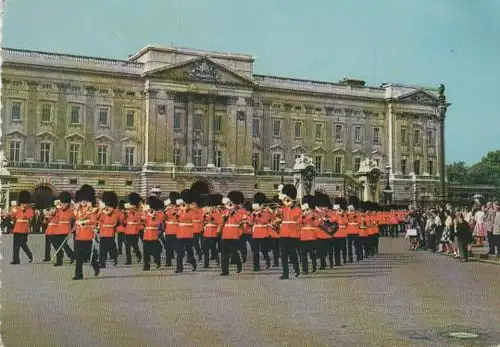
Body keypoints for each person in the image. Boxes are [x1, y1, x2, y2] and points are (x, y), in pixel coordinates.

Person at [73, 185, 100, 280]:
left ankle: (96, 266)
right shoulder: (78, 210)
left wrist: (84, 222)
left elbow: (93, 220)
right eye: (82, 200)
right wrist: (77, 222)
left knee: (88, 254)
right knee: (78, 255)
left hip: (88, 234)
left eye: (85, 200)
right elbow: (75, 218)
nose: (83, 202)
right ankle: (78, 274)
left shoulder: (92, 210)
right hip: (79, 234)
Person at [275, 184, 301, 279]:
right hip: (284, 234)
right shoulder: (282, 209)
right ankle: (285, 273)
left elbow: (300, 221)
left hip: (294, 234)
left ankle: (296, 269)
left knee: (293, 254)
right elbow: (278, 219)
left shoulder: (298, 209)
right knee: (284, 255)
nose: (286, 200)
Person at [219, 190, 246, 276]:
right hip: (225, 234)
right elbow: (220, 222)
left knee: (234, 252)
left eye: (232, 203)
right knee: (224, 254)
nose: (230, 204)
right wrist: (224, 218)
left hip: (234, 234)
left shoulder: (240, 211)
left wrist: (234, 213)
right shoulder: (224, 212)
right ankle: (225, 271)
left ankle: (239, 265)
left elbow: (240, 221)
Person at [9, 190, 34, 264]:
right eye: (22, 203)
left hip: (24, 229)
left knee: (23, 244)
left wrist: (24, 211)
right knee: (15, 246)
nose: (23, 204)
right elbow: (12, 216)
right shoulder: (18, 208)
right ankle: (16, 260)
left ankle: (30, 254)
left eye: (25, 203)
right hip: (17, 228)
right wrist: (13, 211)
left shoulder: (29, 210)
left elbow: (30, 217)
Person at [52, 191, 75, 266]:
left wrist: (73, 228)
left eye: (65, 203)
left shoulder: (71, 211)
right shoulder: (59, 210)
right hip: (58, 229)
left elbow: (75, 220)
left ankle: (71, 255)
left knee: (64, 244)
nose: (63, 204)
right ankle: (60, 261)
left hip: (66, 229)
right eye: (62, 203)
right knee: (58, 245)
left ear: (68, 203)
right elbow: (56, 218)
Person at [97, 191, 119, 268]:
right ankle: (102, 263)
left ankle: (114, 258)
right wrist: (100, 211)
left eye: (110, 206)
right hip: (103, 233)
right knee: (102, 249)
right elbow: (98, 219)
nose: (108, 208)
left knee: (111, 247)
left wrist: (110, 212)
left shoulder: (115, 213)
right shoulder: (103, 212)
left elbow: (115, 221)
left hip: (110, 233)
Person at [142, 196, 164, 270]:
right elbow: (142, 222)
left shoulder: (159, 214)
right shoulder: (145, 213)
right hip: (146, 235)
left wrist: (153, 216)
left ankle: (158, 261)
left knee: (154, 251)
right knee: (146, 252)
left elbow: (158, 222)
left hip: (154, 235)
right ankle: (146, 265)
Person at [123, 192, 143, 265]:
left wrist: (133, 214)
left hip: (135, 230)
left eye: (133, 205)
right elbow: (123, 221)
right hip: (127, 230)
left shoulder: (138, 213)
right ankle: (128, 260)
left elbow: (139, 221)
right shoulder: (127, 212)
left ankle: (138, 254)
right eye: (131, 205)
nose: (131, 206)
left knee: (134, 245)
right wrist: (124, 214)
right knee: (127, 246)